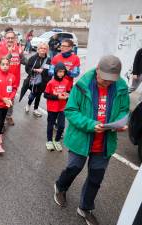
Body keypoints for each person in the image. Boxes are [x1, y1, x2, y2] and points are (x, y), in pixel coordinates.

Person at [53, 55, 129, 225]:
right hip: (81, 138)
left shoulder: (121, 87)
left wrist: (120, 123)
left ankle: (85, 208)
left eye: (111, 81)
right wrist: (90, 124)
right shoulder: (82, 85)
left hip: (105, 141)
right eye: (104, 79)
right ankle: (60, 186)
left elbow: (124, 109)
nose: (108, 83)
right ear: (97, 70)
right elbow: (70, 110)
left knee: (96, 176)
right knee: (74, 167)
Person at [0, 56, 17, 153]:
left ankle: (0, 133)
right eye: (3, 64)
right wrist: (2, 98)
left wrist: (10, 98)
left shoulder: (12, 77)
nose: (5, 66)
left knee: (3, 121)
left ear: (9, 65)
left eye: (7, 64)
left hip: (7, 104)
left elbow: (14, 88)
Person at [0, 31, 22, 125]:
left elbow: (20, 62)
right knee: (2, 100)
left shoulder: (18, 48)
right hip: (3, 80)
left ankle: (9, 116)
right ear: (5, 39)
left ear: (15, 39)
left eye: (12, 38)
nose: (10, 40)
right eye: (8, 38)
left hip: (14, 80)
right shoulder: (1, 49)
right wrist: (10, 52)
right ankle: (1, 121)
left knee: (11, 99)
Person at [44, 62, 70, 151]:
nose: (61, 74)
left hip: (62, 108)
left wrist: (67, 96)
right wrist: (57, 97)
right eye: (59, 72)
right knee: (50, 125)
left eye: (63, 72)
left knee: (61, 126)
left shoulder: (66, 82)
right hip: (52, 108)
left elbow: (68, 93)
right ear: (55, 72)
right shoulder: (51, 82)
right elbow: (46, 95)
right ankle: (49, 141)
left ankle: (57, 140)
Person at [23, 42, 51, 117]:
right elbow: (27, 68)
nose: (43, 50)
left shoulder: (48, 60)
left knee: (39, 95)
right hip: (33, 80)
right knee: (33, 94)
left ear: (47, 50)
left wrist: (43, 72)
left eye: (45, 48)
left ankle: (35, 109)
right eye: (41, 48)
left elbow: (50, 71)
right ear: (38, 49)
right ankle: (28, 105)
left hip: (43, 81)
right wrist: (34, 70)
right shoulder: (33, 58)